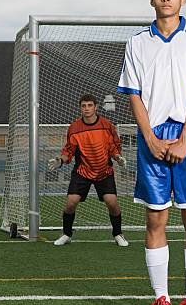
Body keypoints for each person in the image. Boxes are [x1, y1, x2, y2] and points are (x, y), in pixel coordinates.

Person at [117, 0, 186, 305]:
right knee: (155, 217)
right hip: (153, 137)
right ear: (151, 0)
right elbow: (134, 95)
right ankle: (161, 298)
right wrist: (150, 138)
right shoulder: (138, 42)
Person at [48, 94, 128, 247]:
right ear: (80, 108)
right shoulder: (74, 128)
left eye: (90, 105)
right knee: (71, 203)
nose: (86, 109)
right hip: (82, 171)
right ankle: (66, 234)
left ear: (96, 107)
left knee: (112, 202)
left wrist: (118, 158)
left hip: (104, 172)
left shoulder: (107, 125)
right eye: (83, 106)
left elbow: (113, 147)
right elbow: (69, 151)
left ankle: (118, 234)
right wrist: (59, 160)